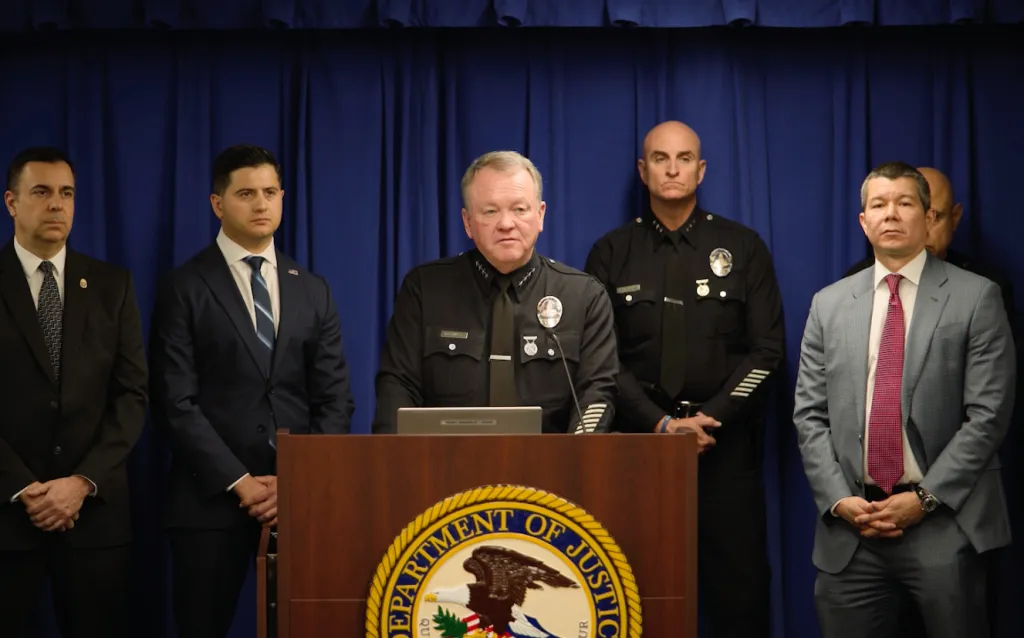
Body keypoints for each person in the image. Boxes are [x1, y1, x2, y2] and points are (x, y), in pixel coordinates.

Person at [793, 161, 1014, 638]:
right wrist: (839, 500)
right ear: (863, 221)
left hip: (944, 525)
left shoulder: (977, 297)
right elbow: (809, 417)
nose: (890, 214)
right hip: (852, 530)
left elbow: (988, 415)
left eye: (905, 203)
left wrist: (924, 499)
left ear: (929, 217)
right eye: (878, 205)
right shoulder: (828, 304)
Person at [584, 120, 784, 637]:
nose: (672, 169)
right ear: (642, 170)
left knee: (739, 599)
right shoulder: (610, 252)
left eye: (684, 158)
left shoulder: (742, 247)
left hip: (724, 450)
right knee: (634, 592)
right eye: (659, 158)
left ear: (701, 169)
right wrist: (659, 426)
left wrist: (707, 418)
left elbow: (766, 351)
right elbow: (601, 360)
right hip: (639, 448)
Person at [149, 145, 355, 638]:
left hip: (299, 499)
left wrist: (295, 481)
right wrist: (240, 482)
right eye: (246, 194)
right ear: (218, 204)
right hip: (210, 502)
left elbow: (334, 399)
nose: (261, 204)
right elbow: (175, 402)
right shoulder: (184, 286)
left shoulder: (312, 289)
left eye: (270, 192)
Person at [0, 146, 148, 638]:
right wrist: (26, 489)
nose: (57, 205)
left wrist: (81, 482)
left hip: (94, 516)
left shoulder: (112, 285)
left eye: (66, 194)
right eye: (41, 192)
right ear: (12, 202)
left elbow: (131, 397)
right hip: (7, 513)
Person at [372, 150, 617, 434]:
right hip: (444, 467)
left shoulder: (584, 297)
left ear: (540, 215)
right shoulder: (425, 290)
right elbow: (397, 387)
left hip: (549, 470)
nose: (506, 224)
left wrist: (577, 458)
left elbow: (596, 393)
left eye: (519, 209)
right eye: (490, 211)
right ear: (467, 223)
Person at [843, 166, 1014, 327]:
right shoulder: (853, 284)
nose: (923, 229)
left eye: (935, 217)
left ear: (955, 218)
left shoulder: (985, 288)